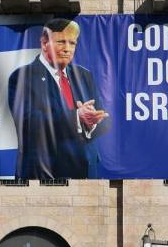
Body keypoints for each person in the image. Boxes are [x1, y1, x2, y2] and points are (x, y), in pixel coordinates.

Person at [7, 18, 110, 179]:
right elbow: (29, 122)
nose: (67, 49)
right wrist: (77, 116)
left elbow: (104, 121)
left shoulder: (84, 75)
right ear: (44, 43)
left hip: (85, 170)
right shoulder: (22, 77)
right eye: (61, 42)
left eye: (72, 43)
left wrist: (91, 122)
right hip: (46, 171)